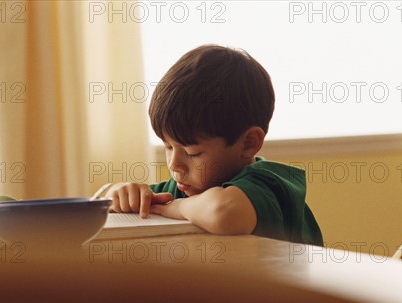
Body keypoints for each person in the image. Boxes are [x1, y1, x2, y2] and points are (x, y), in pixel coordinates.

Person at [108, 44, 323, 246]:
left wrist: (177, 207)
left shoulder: (268, 185)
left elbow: (223, 211)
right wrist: (119, 193)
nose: (174, 165)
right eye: (169, 147)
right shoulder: (185, 189)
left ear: (248, 143)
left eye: (193, 152)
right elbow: (101, 202)